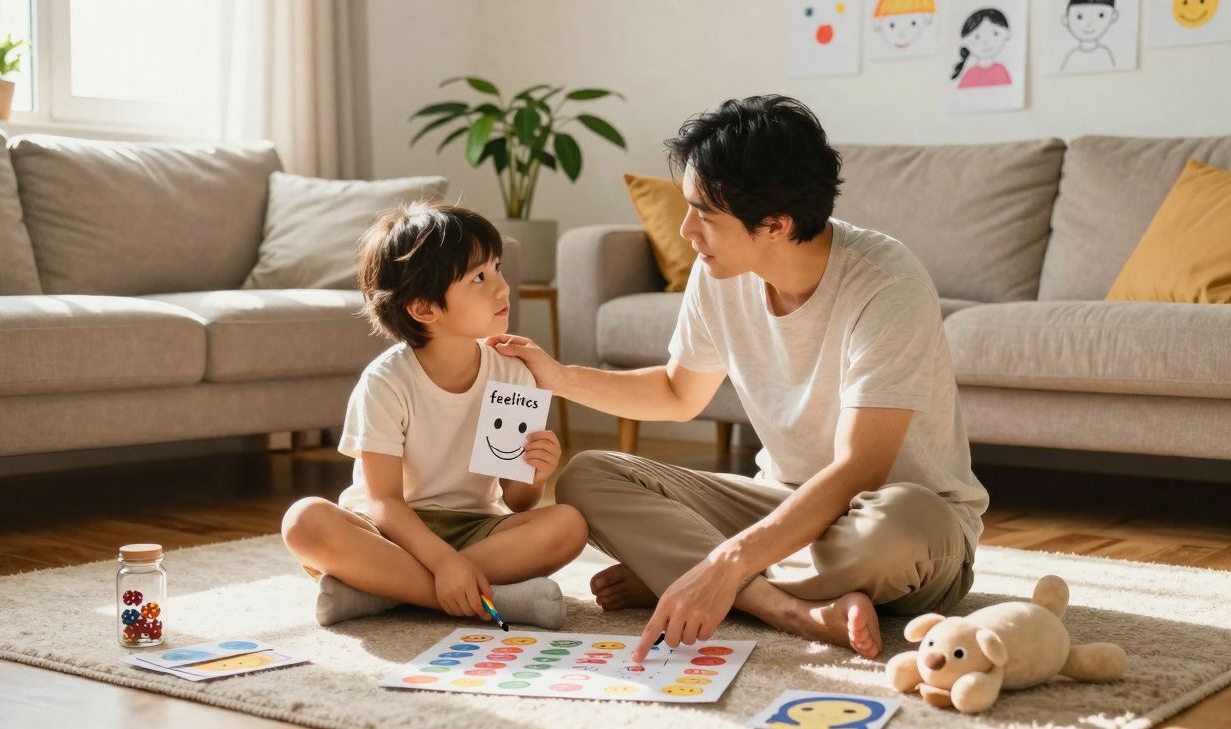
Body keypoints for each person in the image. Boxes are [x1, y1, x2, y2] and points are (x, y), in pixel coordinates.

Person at [490, 95, 988, 662]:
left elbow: (859, 470)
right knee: (588, 477)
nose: (685, 231)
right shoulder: (722, 272)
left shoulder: (886, 284)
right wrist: (556, 377)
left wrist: (721, 562)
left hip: (899, 525)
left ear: (775, 224)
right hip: (779, 503)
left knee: (899, 530)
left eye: (704, 213)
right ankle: (785, 608)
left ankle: (694, 570)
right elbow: (678, 393)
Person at [282, 201, 587, 628]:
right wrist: (443, 564)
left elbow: (517, 503)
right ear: (425, 308)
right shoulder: (386, 382)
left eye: (497, 268)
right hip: (387, 531)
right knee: (304, 522)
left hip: (475, 528)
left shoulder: (514, 374)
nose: (502, 287)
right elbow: (384, 501)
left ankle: (382, 592)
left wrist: (534, 475)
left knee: (568, 525)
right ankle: (486, 598)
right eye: (479, 277)